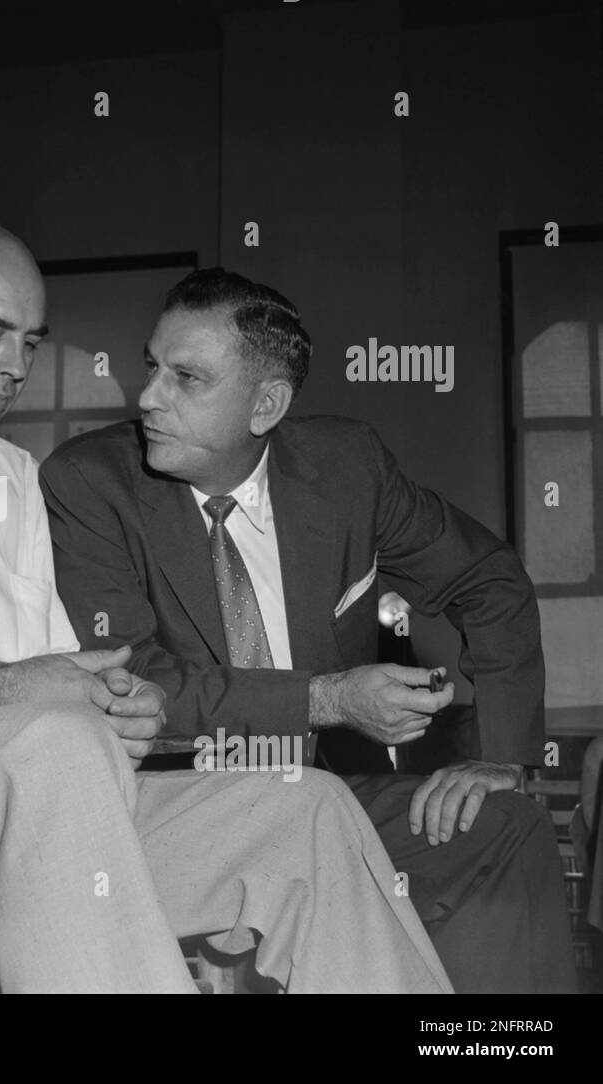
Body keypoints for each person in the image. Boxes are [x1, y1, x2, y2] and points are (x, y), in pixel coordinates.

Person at [0, 214, 454, 994]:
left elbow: (55, 671)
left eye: (29, 342)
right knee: (46, 746)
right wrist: (17, 692)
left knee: (304, 812)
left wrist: (109, 704)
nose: (13, 367)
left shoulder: (18, 475)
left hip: (31, 809)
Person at [40, 266, 576, 993]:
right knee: (313, 823)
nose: (147, 398)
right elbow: (143, 686)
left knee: (504, 825)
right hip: (176, 812)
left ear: (267, 404)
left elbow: (491, 580)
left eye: (186, 378)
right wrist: (330, 698)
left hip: (330, 794)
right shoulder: (89, 483)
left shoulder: (347, 466)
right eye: (152, 367)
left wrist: (503, 758)